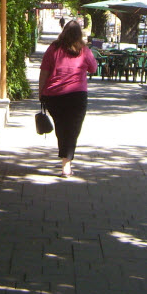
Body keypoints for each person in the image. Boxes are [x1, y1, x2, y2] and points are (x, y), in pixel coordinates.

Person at [38, 20, 97, 177]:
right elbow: (93, 68)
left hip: (54, 95)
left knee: (61, 127)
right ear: (79, 34)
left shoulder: (53, 49)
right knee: (72, 130)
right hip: (77, 96)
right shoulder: (83, 50)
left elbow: (44, 71)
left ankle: (65, 160)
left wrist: (40, 92)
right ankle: (66, 164)